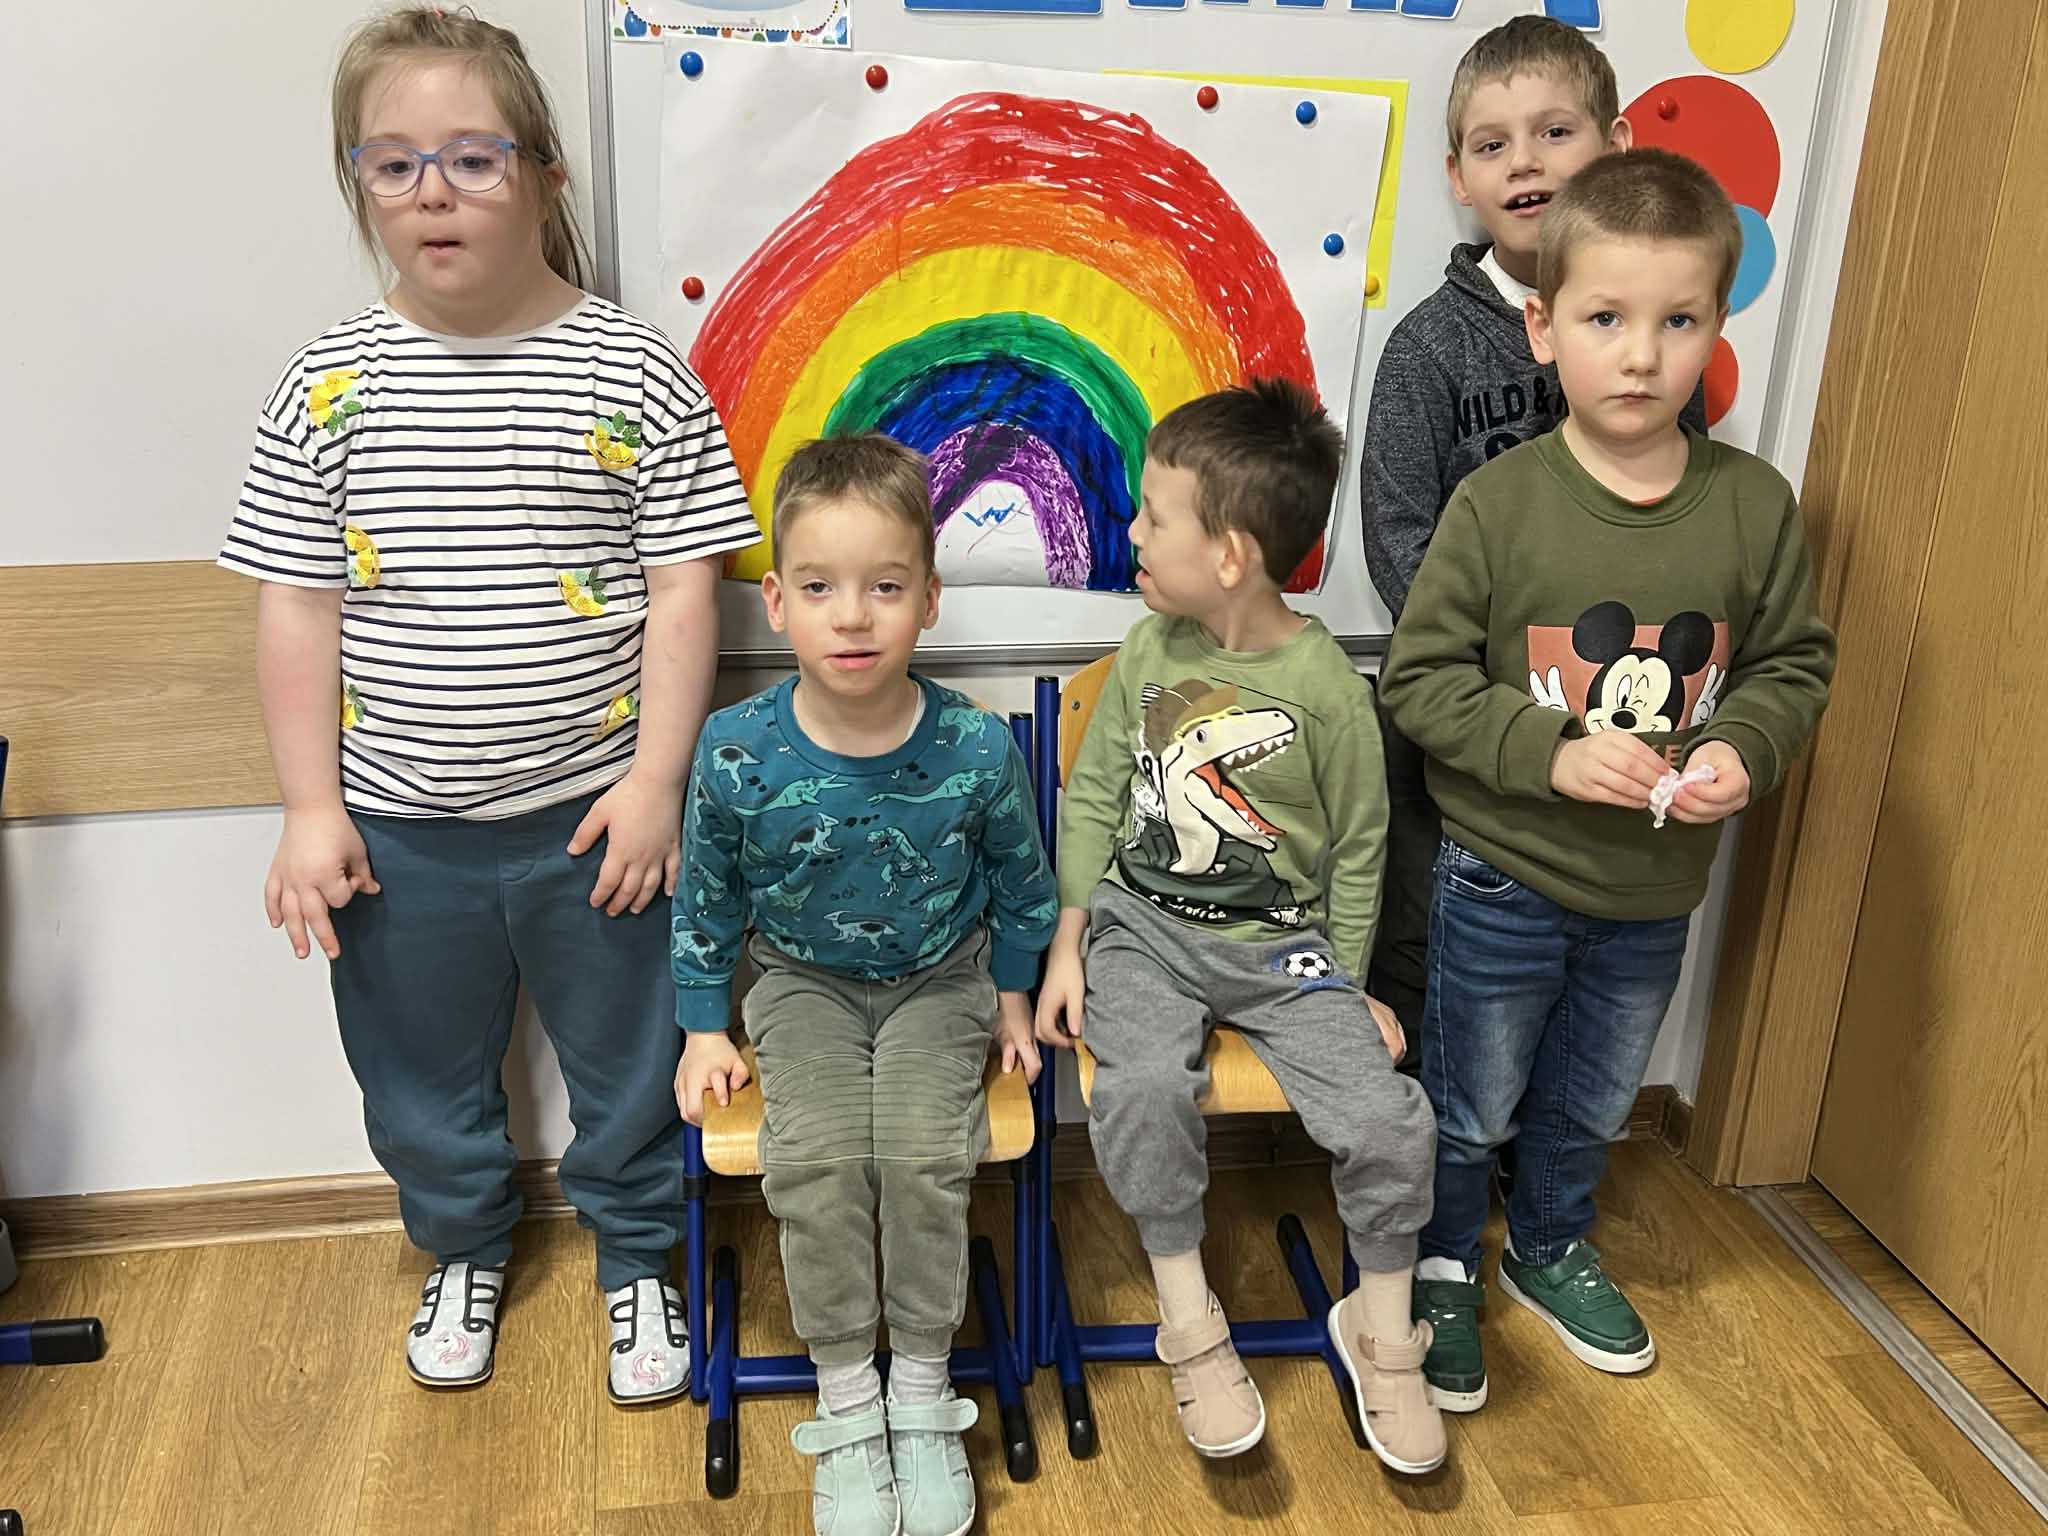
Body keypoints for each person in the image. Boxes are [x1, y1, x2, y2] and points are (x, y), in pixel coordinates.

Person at [219, 7, 757, 1401]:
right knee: (413, 1071)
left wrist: (655, 786)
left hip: (599, 818)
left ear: (543, 174)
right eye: (392, 164)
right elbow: (295, 607)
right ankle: (462, 1244)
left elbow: (684, 596)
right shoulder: (326, 387)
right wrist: (310, 808)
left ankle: (638, 1257)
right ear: (358, 185)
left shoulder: (634, 369)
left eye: (471, 157)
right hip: (397, 828)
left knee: (634, 1060)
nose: (432, 193)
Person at [1380, 148, 1836, 1412]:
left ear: (1715, 325)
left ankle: (1546, 1248)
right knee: (1468, 1103)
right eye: (1603, 320)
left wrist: (1742, 748)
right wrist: (1551, 751)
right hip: (1499, 877)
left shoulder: (1752, 507)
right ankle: (1439, 1263)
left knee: (1588, 1102)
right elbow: (1420, 682)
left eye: (1675, 321)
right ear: (1541, 327)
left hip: (1651, 892)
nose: (1638, 356)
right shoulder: (1494, 505)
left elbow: (1791, 665)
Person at [1035, 380, 1444, 1475]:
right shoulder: (1147, 652)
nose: (1130, 532)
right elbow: (1093, 797)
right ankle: (1189, 1317)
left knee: (1388, 1119)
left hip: (1283, 950)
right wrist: (1070, 939)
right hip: (1140, 931)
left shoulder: (1328, 689)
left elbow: (1360, 847)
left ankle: (1382, 1332)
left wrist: (1348, 980)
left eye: (1152, 515)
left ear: (1227, 556)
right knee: (1141, 1089)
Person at [673, 434, 1056, 1536]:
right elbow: (705, 901)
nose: (852, 617)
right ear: (775, 604)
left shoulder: (974, 748)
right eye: (819, 588)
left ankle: (922, 1390)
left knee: (924, 1154)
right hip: (800, 984)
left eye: (884, 588)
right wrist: (703, 1027)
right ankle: (847, 1399)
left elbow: (1024, 890)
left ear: (928, 600)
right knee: (826, 1158)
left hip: (943, 981)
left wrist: (1014, 1003)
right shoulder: (735, 749)